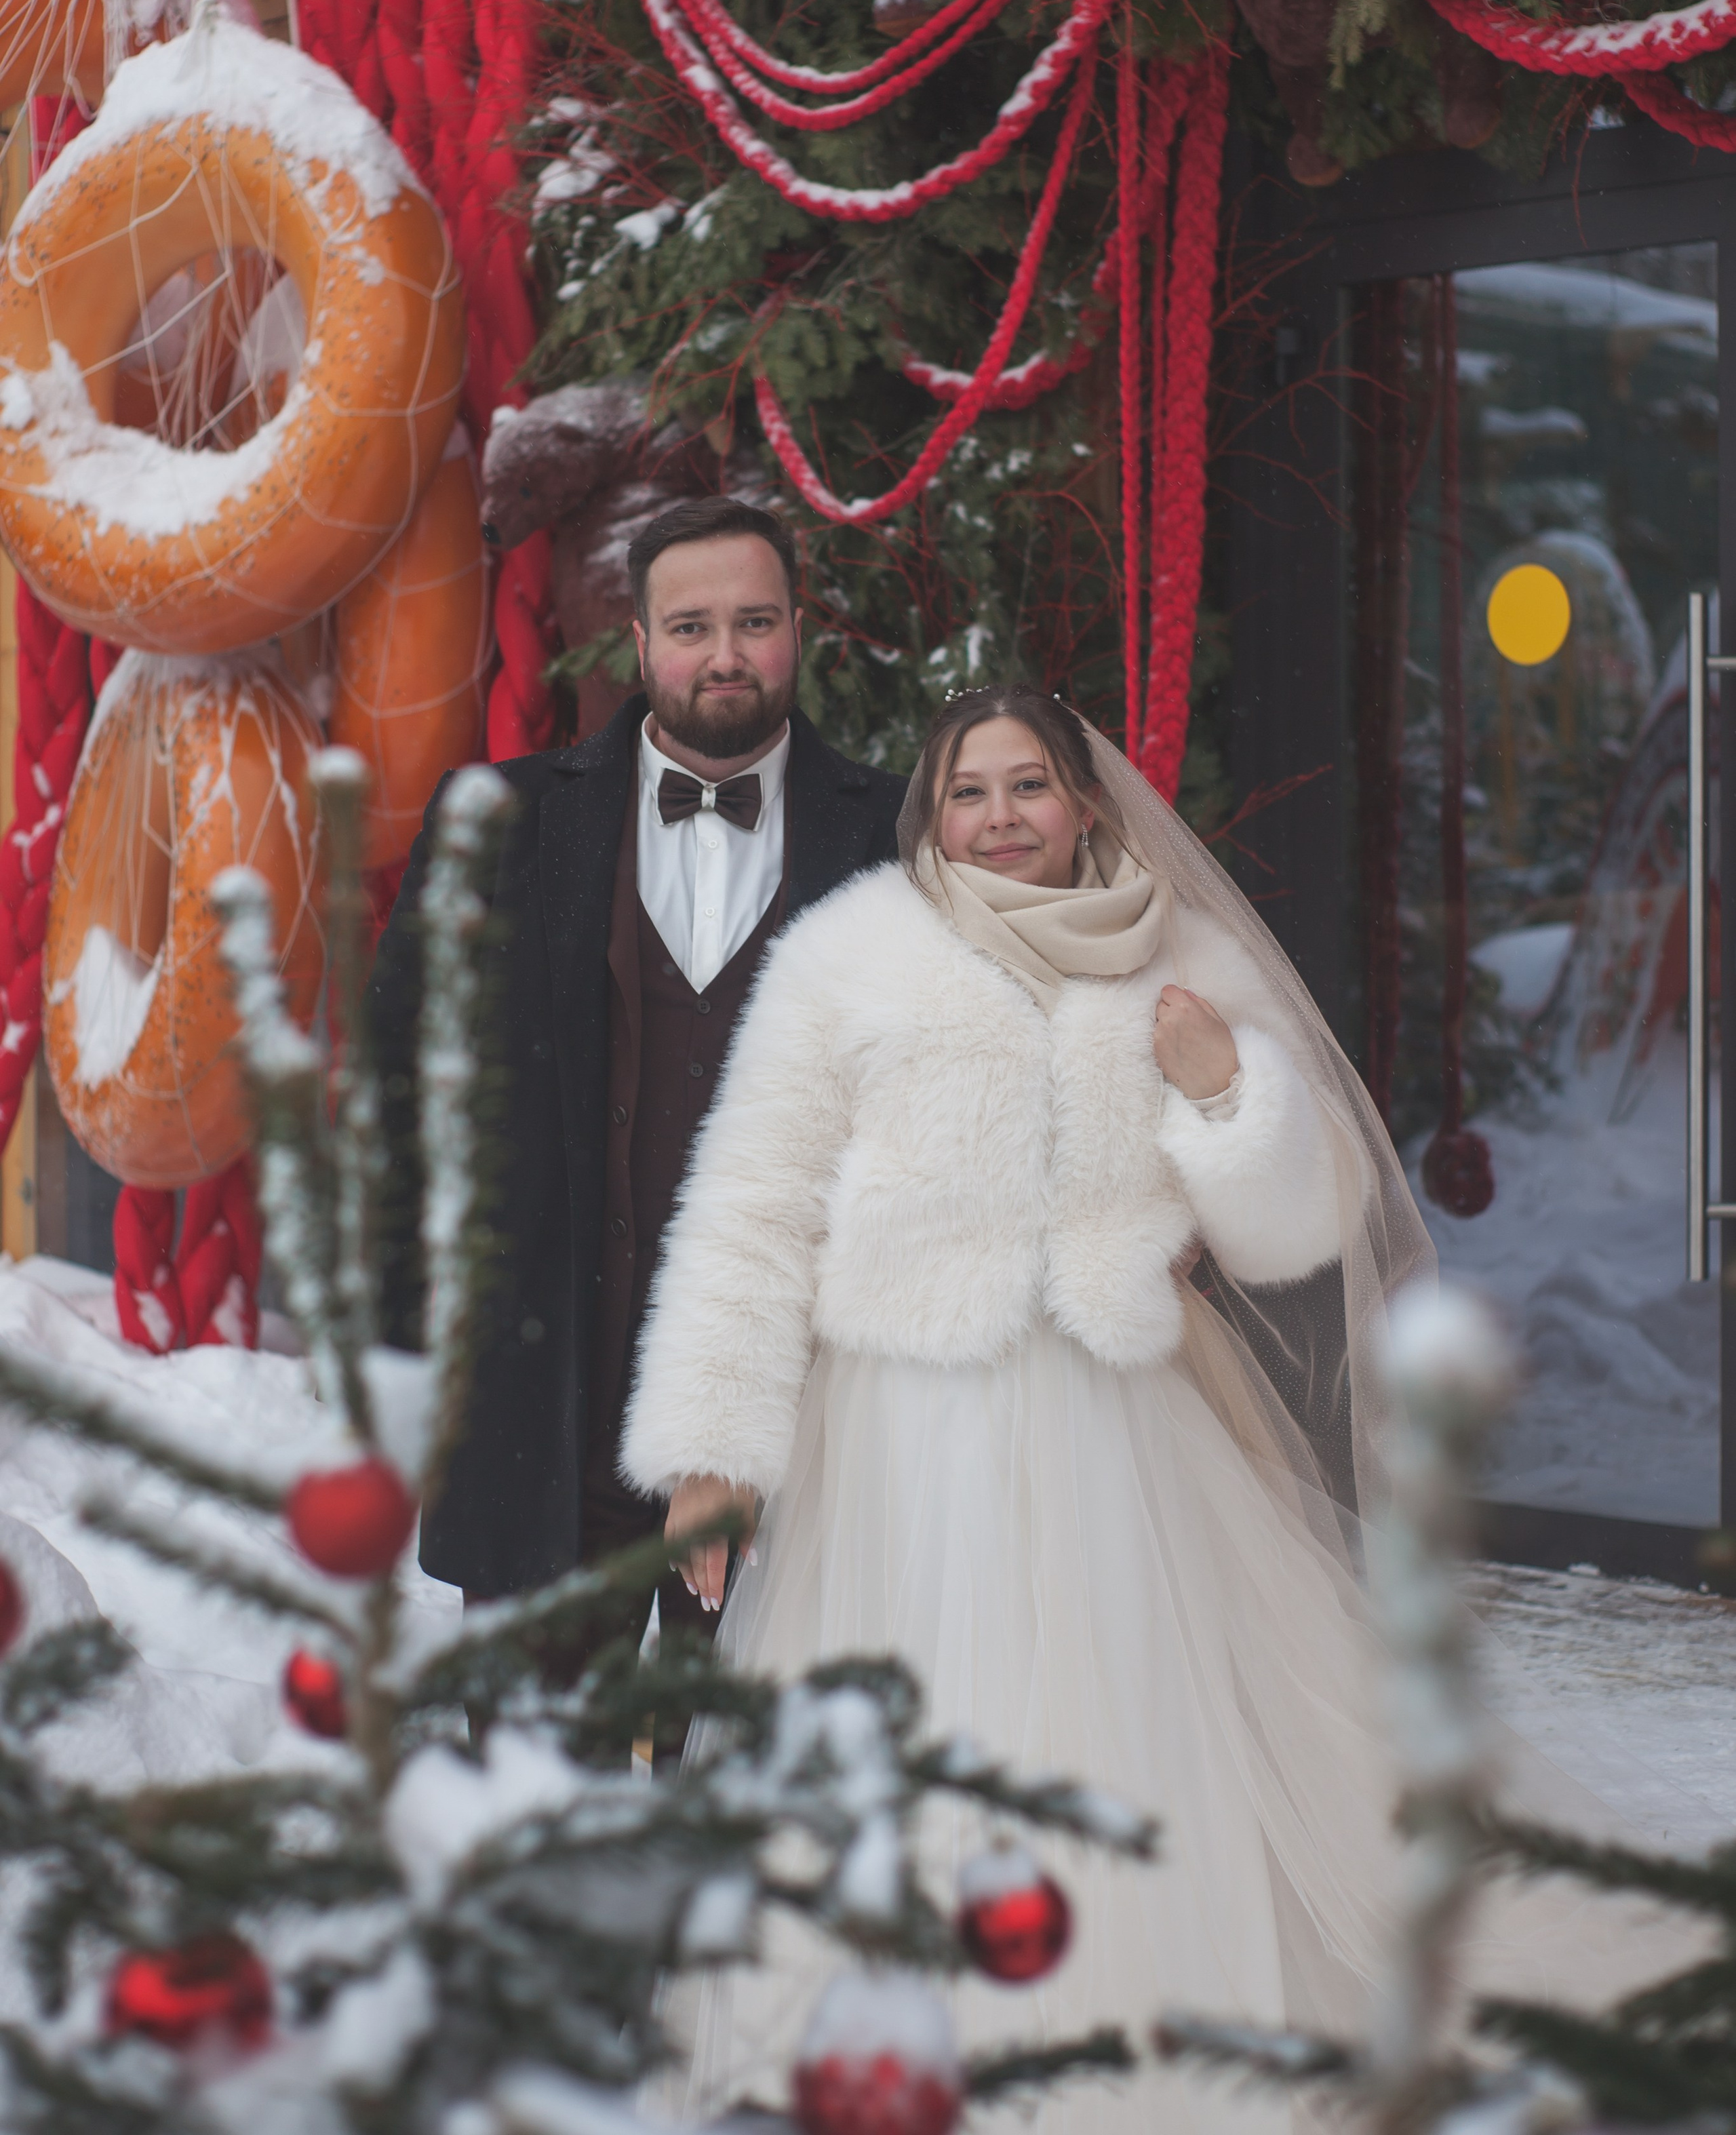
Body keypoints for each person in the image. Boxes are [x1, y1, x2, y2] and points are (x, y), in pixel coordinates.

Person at [620, 682, 1436, 2127]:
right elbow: (753, 1206)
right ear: (930, 816)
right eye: (968, 792)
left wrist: (1226, 1092)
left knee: (1116, 1733)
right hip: (899, 1433)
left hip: (1110, 1427)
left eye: (1027, 787)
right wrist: (711, 1448)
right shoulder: (849, 957)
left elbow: (1288, 1231)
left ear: (1085, 804)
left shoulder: (1183, 963)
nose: (999, 819)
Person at [368, 495, 906, 1621]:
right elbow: (395, 1087)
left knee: (779, 1741)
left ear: (799, 629)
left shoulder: (895, 837)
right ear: (641, 640)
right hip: (542, 1410)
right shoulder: (497, 821)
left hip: (802, 1438)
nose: (725, 655)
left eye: (755, 622)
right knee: (531, 1738)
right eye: (692, 626)